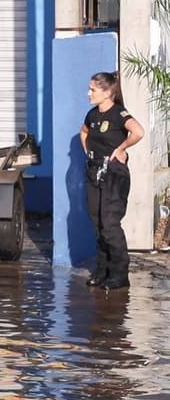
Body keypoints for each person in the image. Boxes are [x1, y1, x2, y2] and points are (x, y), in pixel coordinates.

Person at [79, 71, 144, 289]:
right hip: (93, 172)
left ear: (107, 93)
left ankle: (119, 274)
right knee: (97, 223)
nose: (89, 93)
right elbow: (84, 132)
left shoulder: (118, 114)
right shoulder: (92, 115)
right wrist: (89, 153)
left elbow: (138, 131)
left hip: (114, 175)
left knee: (110, 224)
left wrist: (121, 148)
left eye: (93, 90)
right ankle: (102, 270)